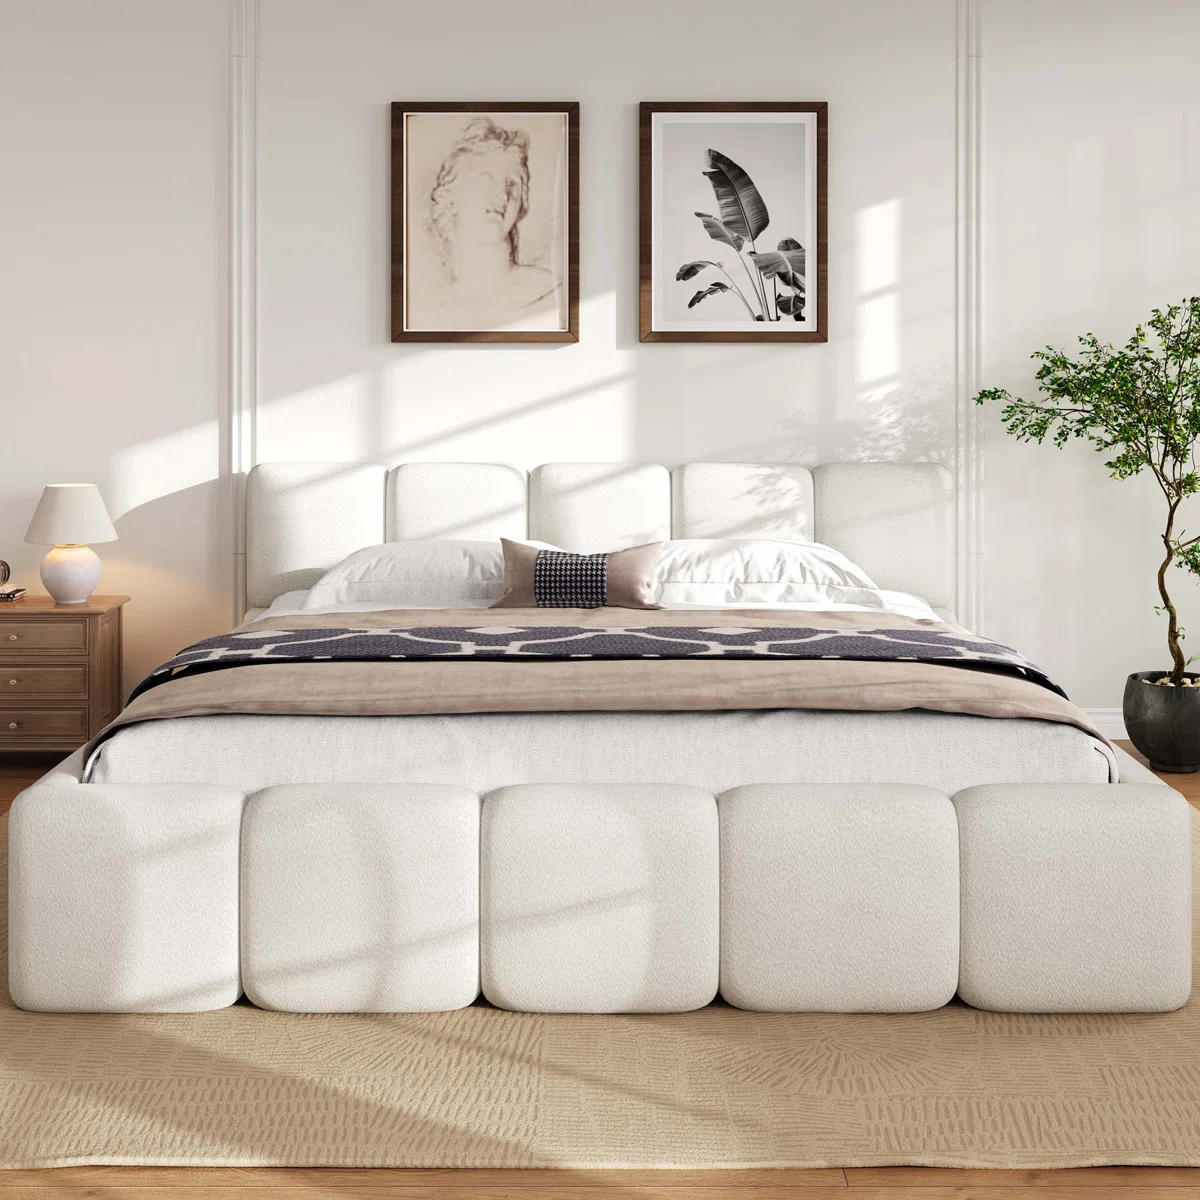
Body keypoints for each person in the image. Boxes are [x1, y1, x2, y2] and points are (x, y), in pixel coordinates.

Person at [423, 117, 559, 329]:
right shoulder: (433, 310)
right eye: (486, 179)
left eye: (512, 185)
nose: (503, 196)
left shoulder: (551, 293)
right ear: (450, 197)